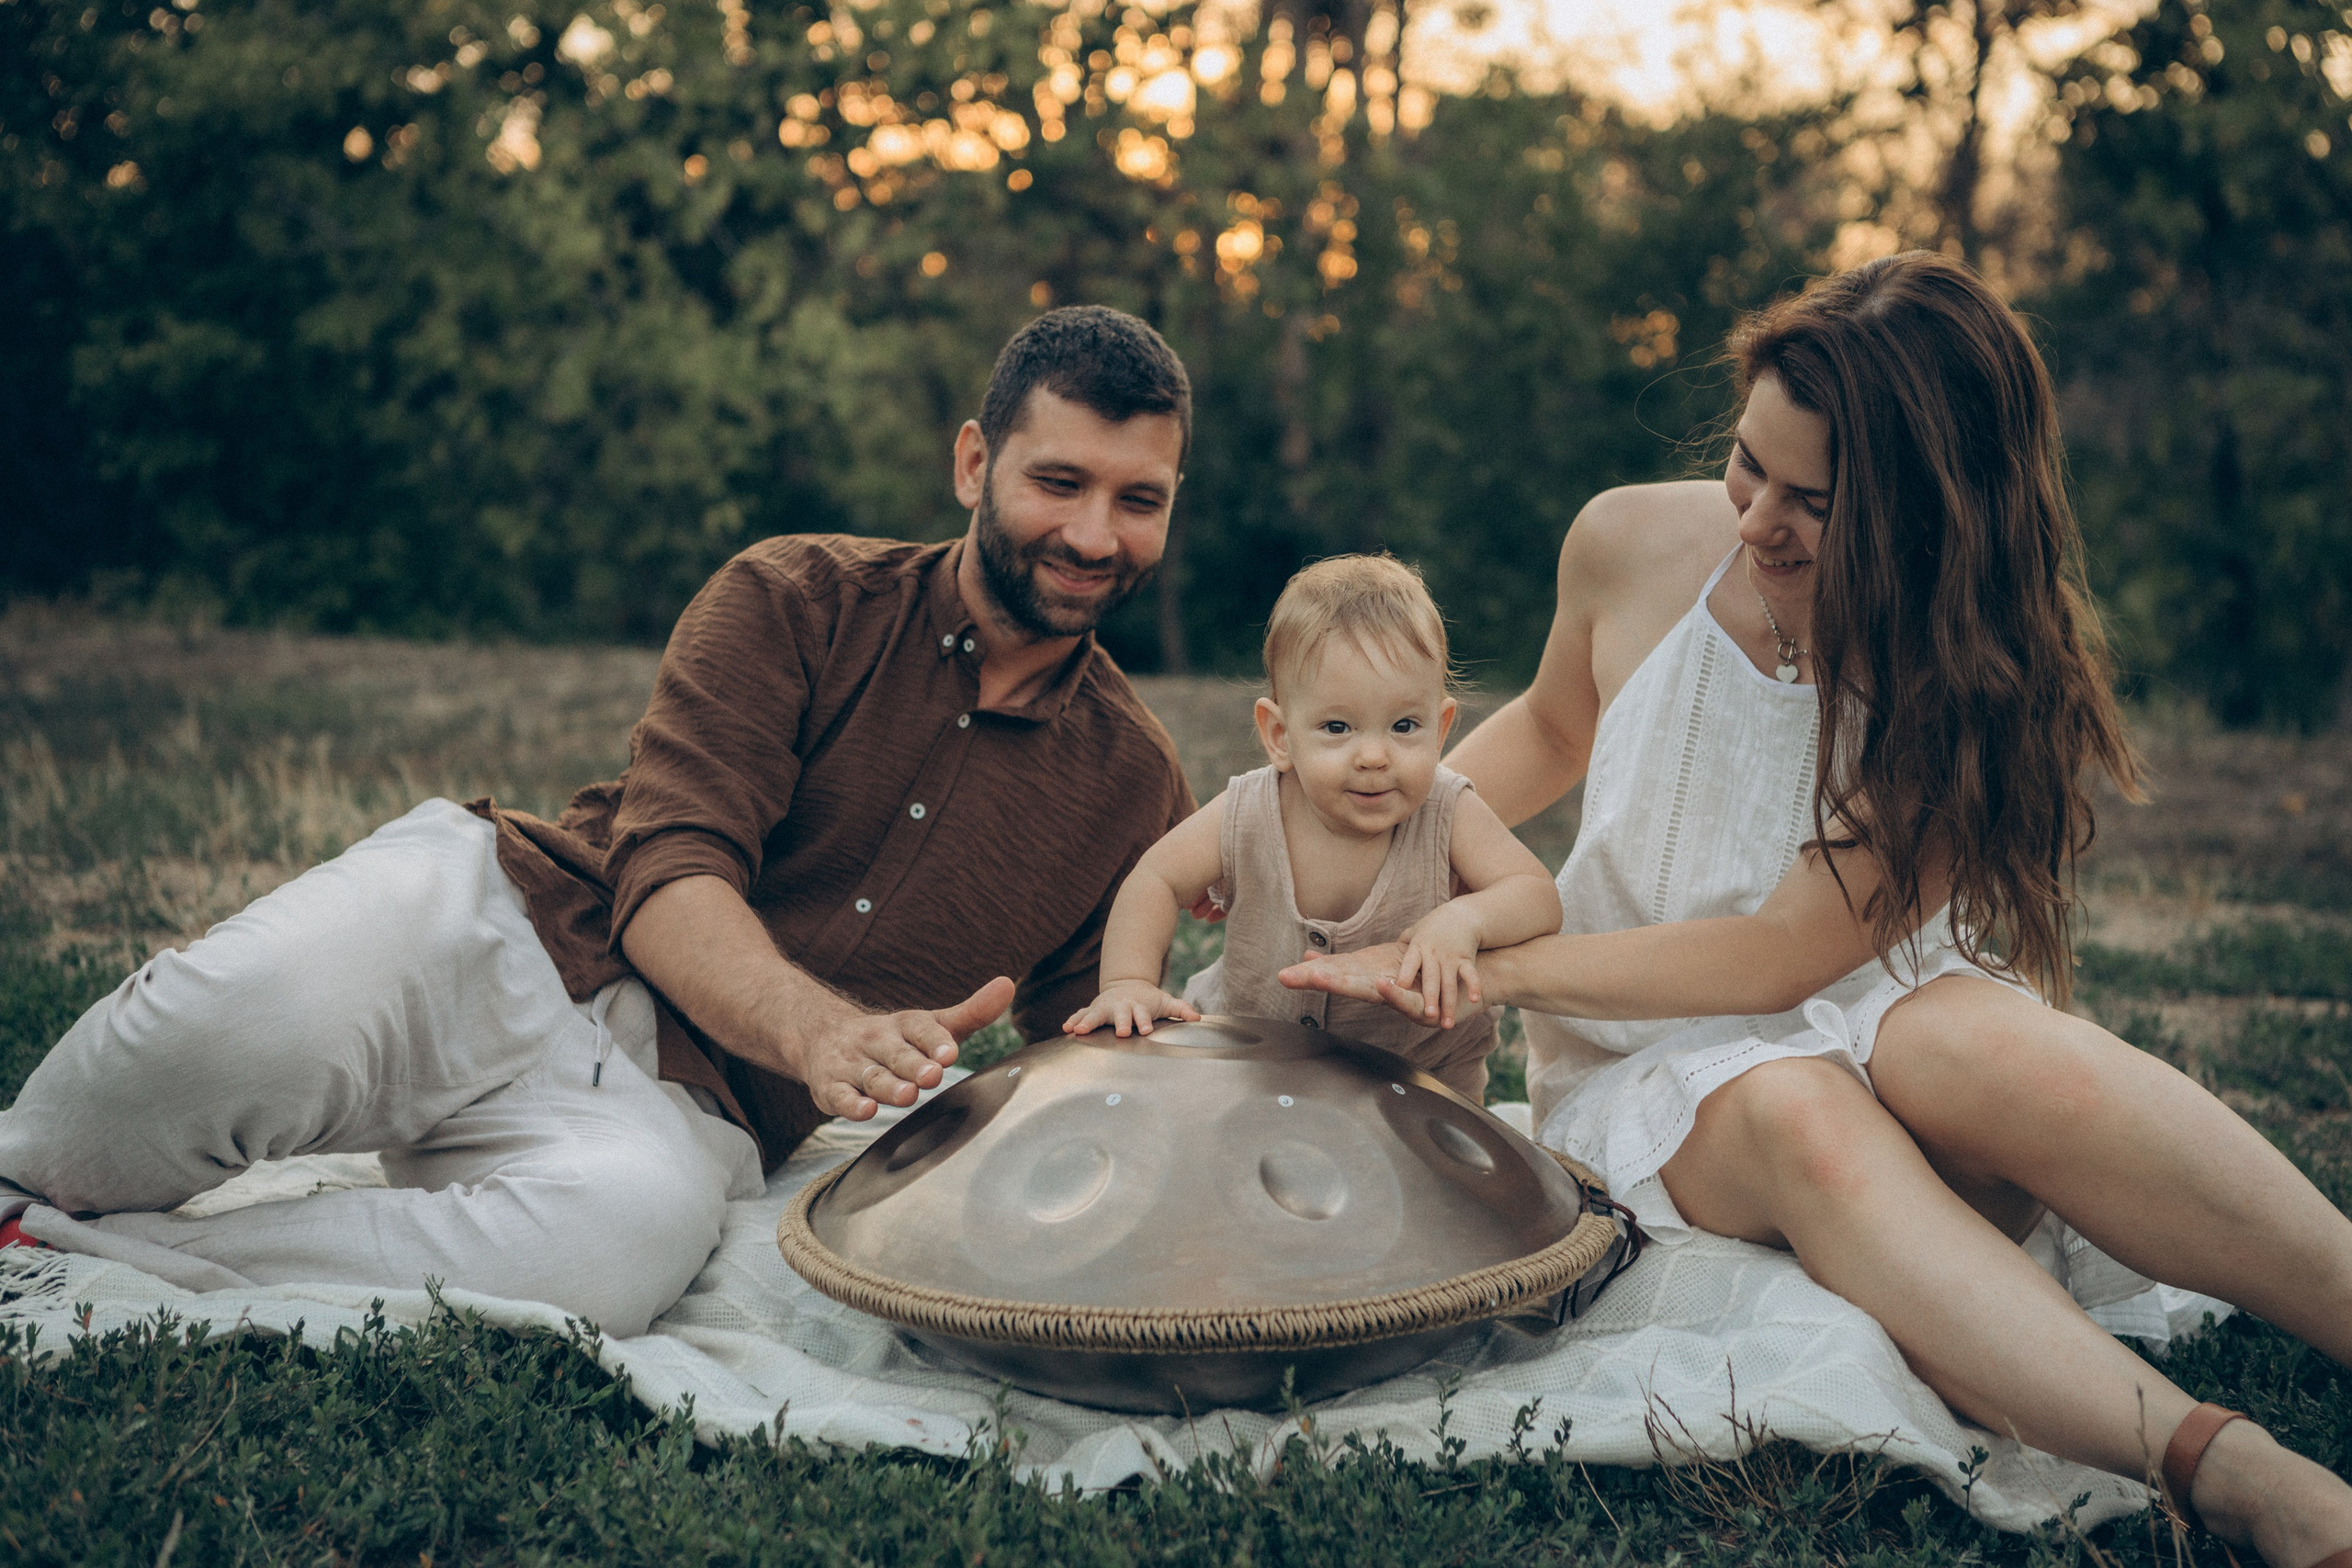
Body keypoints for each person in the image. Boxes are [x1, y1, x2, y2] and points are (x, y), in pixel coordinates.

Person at [1278, 254, 2352, 1567]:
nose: (1755, 524)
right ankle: (2226, 1466)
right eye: (1747, 467)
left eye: (1816, 502)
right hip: (1654, 1066)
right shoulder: (1626, 541)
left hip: (1874, 1019)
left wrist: (1501, 967)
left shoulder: (1976, 664)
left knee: (1978, 1036)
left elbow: (1784, 951)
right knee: (1797, 1102)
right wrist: (1346, 848)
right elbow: (1555, 725)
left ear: (1926, 519)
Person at [0, 305, 1197, 1339]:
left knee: (611, 1260)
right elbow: (670, 876)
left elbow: (1095, 1050)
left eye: (1137, 499)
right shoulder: (792, 595)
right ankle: (49, 1187)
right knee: (125, 1100)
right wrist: (824, 1035)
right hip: (503, 930)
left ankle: (81, 1253)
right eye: (1060, 482)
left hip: (685, 1115)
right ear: (974, 461)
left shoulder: (1139, 787)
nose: (1096, 536)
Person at [1063, 553, 1560, 1102]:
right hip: (1246, 1060)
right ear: (1279, 735)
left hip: (1420, 1083)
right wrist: (1129, 982)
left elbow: (1536, 894)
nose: (1374, 755)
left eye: (1403, 725)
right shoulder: (1250, 807)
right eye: (1337, 727)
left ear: (1440, 729)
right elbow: (1156, 877)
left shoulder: (1448, 811)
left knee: (1437, 1181)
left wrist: (1465, 919)